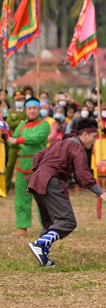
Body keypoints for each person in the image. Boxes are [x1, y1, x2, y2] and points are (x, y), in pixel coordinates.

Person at [26, 118, 106, 268]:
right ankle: (40, 244)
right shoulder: (76, 147)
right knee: (67, 221)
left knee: (50, 223)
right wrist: (100, 192)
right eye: (93, 137)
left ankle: (44, 260)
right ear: (84, 134)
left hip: (38, 180)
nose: (94, 141)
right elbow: (82, 172)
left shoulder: (60, 142)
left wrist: (41, 172)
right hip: (50, 181)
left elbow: (38, 156)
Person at [10, 99, 51, 236]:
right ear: (26, 110)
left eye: (34, 108)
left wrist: (17, 140)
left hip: (38, 166)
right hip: (22, 166)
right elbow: (13, 142)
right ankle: (22, 226)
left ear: (39, 109)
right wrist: (8, 138)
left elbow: (36, 138)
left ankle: (47, 226)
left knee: (42, 198)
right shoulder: (21, 126)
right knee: (21, 198)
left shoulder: (44, 125)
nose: (32, 110)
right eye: (29, 108)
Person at [5, 89, 27, 190]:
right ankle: (6, 186)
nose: (19, 101)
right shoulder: (11, 113)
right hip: (13, 141)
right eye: (17, 100)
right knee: (10, 165)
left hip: (25, 141)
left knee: (26, 165)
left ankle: (27, 186)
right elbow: (9, 124)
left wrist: (18, 123)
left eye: (21, 99)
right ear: (14, 101)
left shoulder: (27, 111)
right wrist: (21, 122)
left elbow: (29, 123)